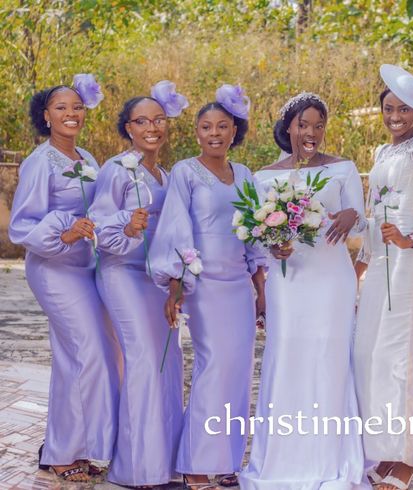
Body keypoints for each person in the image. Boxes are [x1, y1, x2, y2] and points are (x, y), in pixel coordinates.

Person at [240, 92, 367, 489]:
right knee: (288, 358)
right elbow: (256, 238)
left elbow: (362, 225)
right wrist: (273, 245)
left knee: (330, 360)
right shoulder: (263, 177)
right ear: (288, 127)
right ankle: (283, 461)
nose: (311, 132)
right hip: (287, 280)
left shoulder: (344, 169)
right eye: (304, 124)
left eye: (319, 125)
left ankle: (332, 461)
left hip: (332, 280)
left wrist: (354, 215)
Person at [149, 84, 266, 489]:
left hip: (239, 287)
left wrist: (261, 290)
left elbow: (254, 235)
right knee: (212, 367)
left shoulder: (247, 176)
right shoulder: (185, 171)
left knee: (238, 372)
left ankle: (227, 461)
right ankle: (197, 463)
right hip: (204, 287)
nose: (214, 133)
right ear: (196, 132)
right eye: (206, 127)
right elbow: (176, 231)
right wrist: (175, 290)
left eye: (222, 126)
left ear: (235, 130)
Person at [9, 75, 119, 482]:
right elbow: (22, 227)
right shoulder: (41, 162)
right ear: (47, 116)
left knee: (84, 356)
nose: (71, 114)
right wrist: (65, 231)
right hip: (53, 270)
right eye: (62, 108)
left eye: (77, 108)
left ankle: (77, 445)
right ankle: (60, 453)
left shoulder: (87, 159)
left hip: (84, 266)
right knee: (87, 351)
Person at [353, 64, 413, 490]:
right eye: (388, 108)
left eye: (403, 109)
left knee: (396, 354)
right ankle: (384, 450)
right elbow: (374, 214)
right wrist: (359, 265)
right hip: (379, 260)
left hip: (408, 258)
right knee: (367, 355)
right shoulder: (380, 153)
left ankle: (408, 456)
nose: (394, 115)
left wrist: (412, 238)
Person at [89, 81, 188, 487]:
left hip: (157, 281)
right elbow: (97, 223)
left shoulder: (166, 174)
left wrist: (176, 284)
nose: (153, 127)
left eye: (159, 119)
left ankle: (165, 463)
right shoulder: (116, 168)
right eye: (142, 120)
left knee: (169, 361)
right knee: (145, 360)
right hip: (122, 273)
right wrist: (127, 227)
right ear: (127, 128)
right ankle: (137, 468)